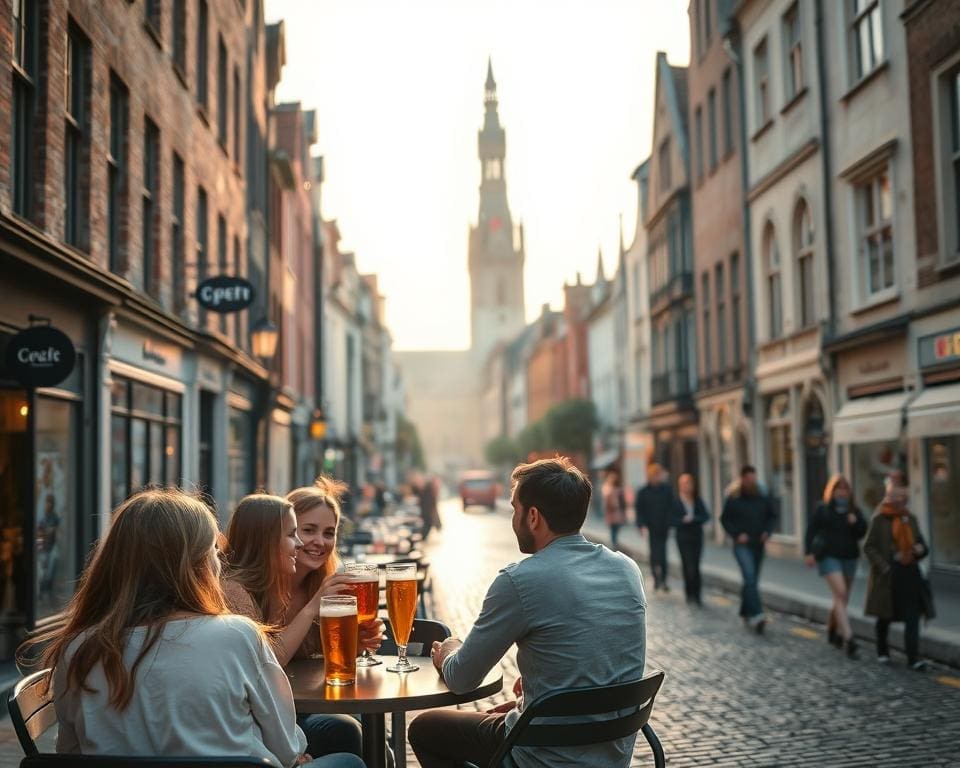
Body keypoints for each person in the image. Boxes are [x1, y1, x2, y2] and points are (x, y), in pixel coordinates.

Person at [21, 489, 363, 768]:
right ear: (193, 564)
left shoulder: (78, 647)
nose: (220, 560)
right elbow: (287, 747)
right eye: (213, 549)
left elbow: (72, 751)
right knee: (348, 760)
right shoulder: (237, 635)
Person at [408, 457, 646, 768]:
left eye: (514, 509)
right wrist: (530, 701)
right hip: (611, 755)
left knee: (425, 728)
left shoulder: (519, 581)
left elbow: (462, 678)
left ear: (533, 517)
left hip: (541, 754)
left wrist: (449, 649)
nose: (513, 518)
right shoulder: (627, 569)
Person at [221, 484, 383, 760]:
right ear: (274, 534)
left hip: (293, 708)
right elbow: (270, 660)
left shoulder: (322, 584)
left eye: (329, 533)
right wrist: (312, 607)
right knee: (349, 731)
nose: (318, 541)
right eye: (305, 531)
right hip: (267, 716)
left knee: (363, 732)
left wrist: (357, 642)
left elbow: (323, 655)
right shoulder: (247, 590)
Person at [863, 472, 931, 670]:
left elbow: (923, 545)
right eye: (897, 497)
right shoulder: (879, 518)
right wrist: (884, 565)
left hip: (910, 574)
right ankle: (882, 651)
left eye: (904, 497)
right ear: (889, 497)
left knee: (912, 617)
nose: (901, 501)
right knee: (885, 616)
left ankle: (913, 658)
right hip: (888, 576)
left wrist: (918, 550)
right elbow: (868, 546)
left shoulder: (911, 519)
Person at [803, 474, 867, 658]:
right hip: (828, 557)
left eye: (845, 489)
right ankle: (848, 637)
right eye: (838, 488)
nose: (841, 492)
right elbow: (811, 531)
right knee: (840, 593)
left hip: (849, 558)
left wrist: (855, 523)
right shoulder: (823, 509)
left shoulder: (854, 511)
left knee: (841, 598)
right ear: (832, 491)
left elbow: (862, 532)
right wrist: (809, 553)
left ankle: (832, 630)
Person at [721, 465, 777, 634]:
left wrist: (767, 532)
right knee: (750, 576)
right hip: (742, 545)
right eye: (749, 479)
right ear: (743, 479)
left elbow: (772, 515)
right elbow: (725, 519)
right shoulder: (733, 497)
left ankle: (745, 611)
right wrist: (737, 535)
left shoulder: (762, 495)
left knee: (751, 580)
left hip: (758, 544)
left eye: (754, 478)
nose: (752, 481)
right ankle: (757, 614)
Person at [635, 462, 674, 592]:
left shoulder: (667, 489)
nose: (657, 478)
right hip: (651, 527)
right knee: (654, 554)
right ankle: (656, 578)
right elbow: (639, 510)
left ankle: (663, 579)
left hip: (663, 527)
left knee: (663, 554)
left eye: (659, 475)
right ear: (650, 476)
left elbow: (671, 507)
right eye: (654, 475)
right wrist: (641, 525)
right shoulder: (643, 492)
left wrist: (670, 522)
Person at [672, 473, 709, 606]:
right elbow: (671, 520)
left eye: (688, 483)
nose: (686, 486)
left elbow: (706, 516)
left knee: (696, 565)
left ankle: (697, 595)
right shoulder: (676, 501)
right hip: (683, 537)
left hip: (697, 536)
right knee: (687, 565)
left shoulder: (697, 500)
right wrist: (682, 521)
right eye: (684, 483)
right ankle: (689, 593)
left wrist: (694, 519)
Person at [601, 470, 627, 549]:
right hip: (614, 513)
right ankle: (614, 543)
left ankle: (614, 542)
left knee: (614, 529)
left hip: (615, 513)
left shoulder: (609, 489)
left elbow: (623, 503)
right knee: (614, 529)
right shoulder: (611, 489)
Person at [417, 474, 441, 540]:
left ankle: (422, 537)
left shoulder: (428, 489)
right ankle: (422, 537)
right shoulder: (427, 489)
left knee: (427, 523)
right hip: (426, 510)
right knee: (427, 523)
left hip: (427, 510)